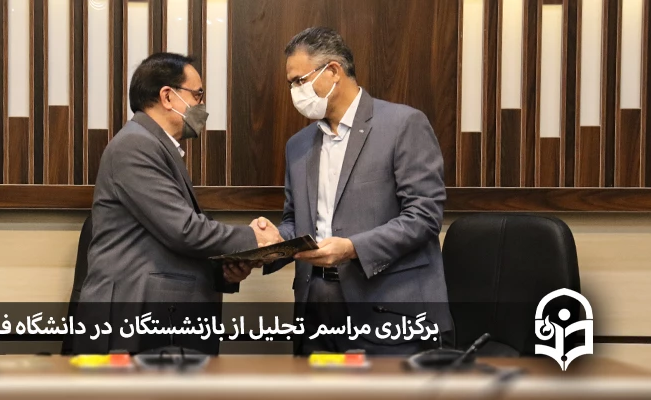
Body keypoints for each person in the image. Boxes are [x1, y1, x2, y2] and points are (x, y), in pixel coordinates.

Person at [253, 27, 453, 355]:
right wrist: (272, 241)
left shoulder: (403, 125)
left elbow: (424, 216)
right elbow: (296, 222)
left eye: (299, 81)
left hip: (388, 308)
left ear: (333, 71)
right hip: (316, 311)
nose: (294, 92)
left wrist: (352, 248)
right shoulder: (298, 145)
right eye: (291, 84)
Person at [74, 53, 280, 355]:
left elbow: (169, 241)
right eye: (197, 95)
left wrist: (224, 270)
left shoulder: (154, 145)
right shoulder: (136, 145)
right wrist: (254, 239)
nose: (202, 106)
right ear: (168, 96)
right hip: (134, 316)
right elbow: (182, 230)